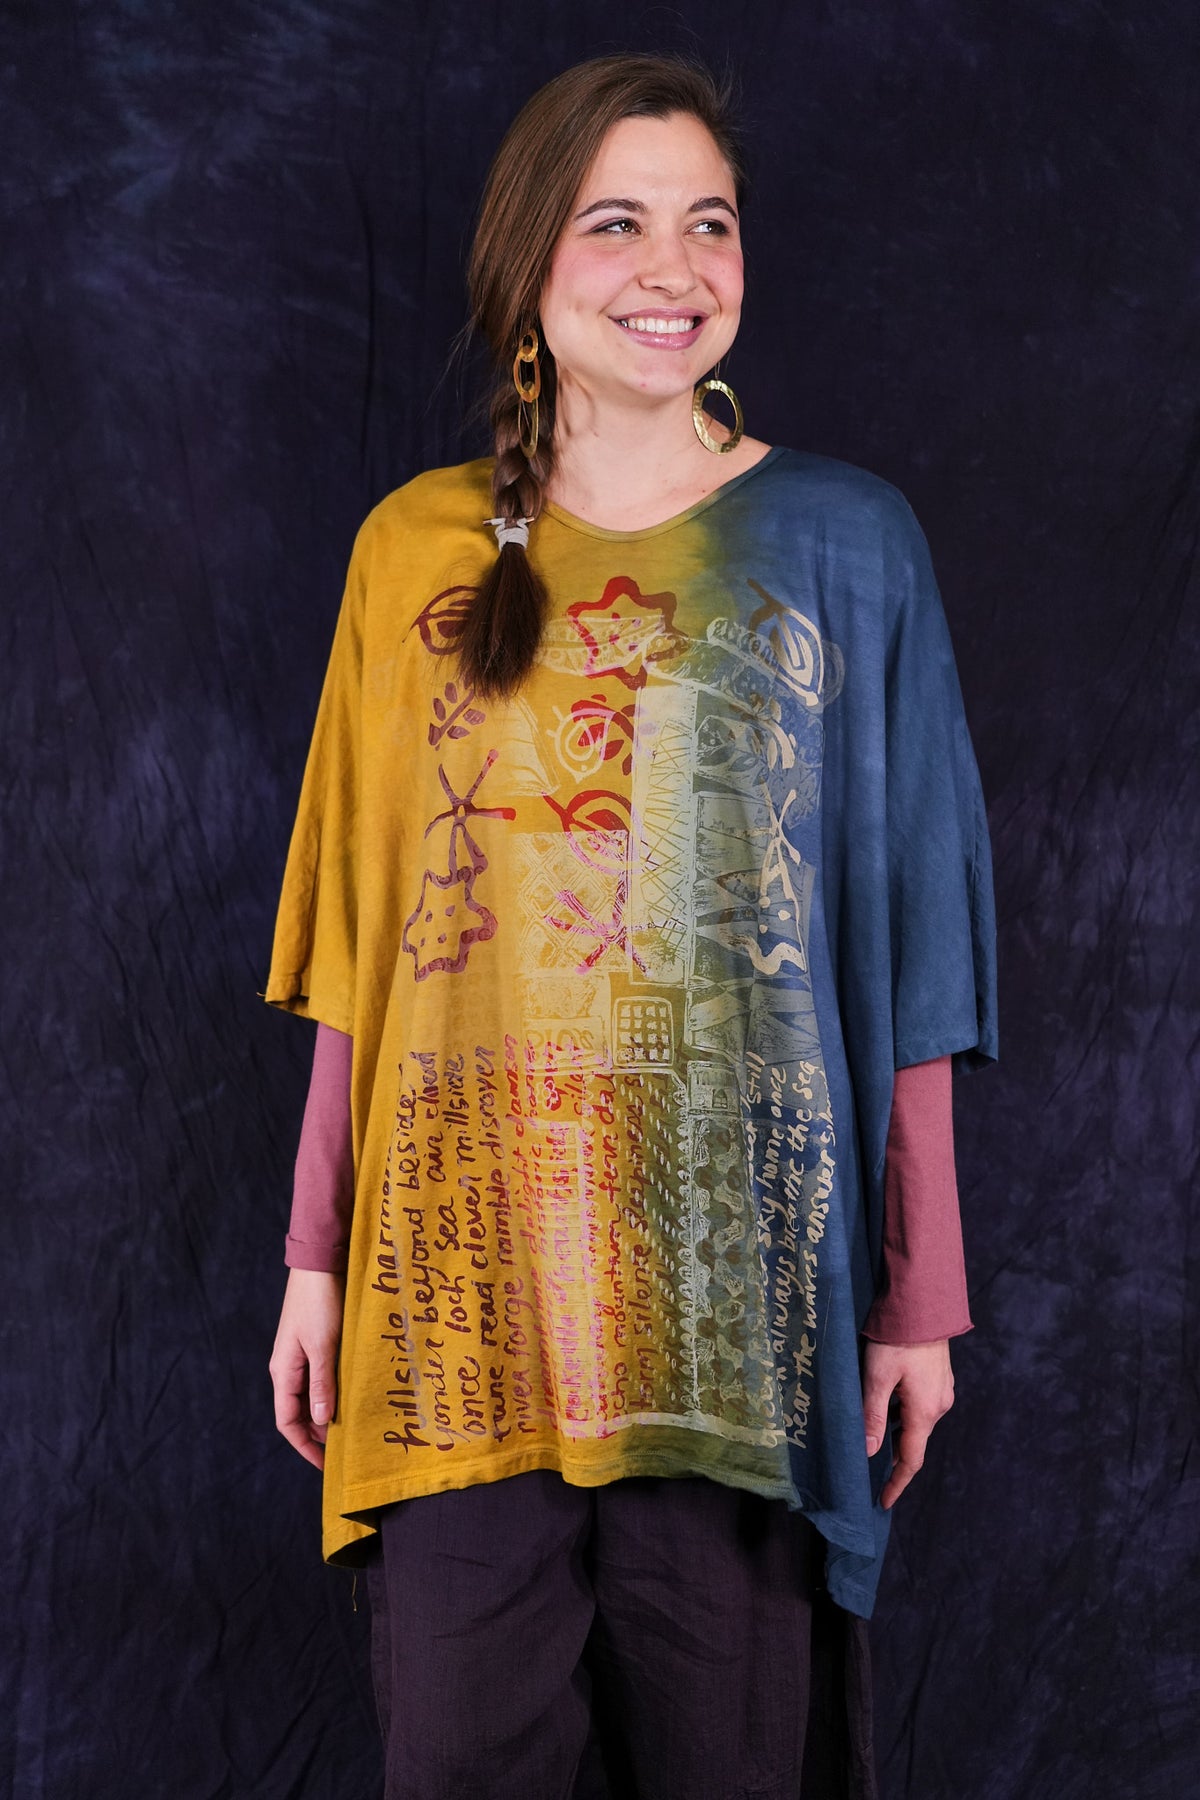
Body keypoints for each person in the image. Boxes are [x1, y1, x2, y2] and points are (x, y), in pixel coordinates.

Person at [265, 52, 997, 1800]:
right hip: (463, 1300)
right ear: (528, 264)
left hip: (739, 1300)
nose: (673, 268)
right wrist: (315, 1257)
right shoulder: (412, 553)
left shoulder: (846, 546)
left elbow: (910, 946)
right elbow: (368, 945)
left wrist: (920, 1298)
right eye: (617, 224)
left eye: (709, 225)